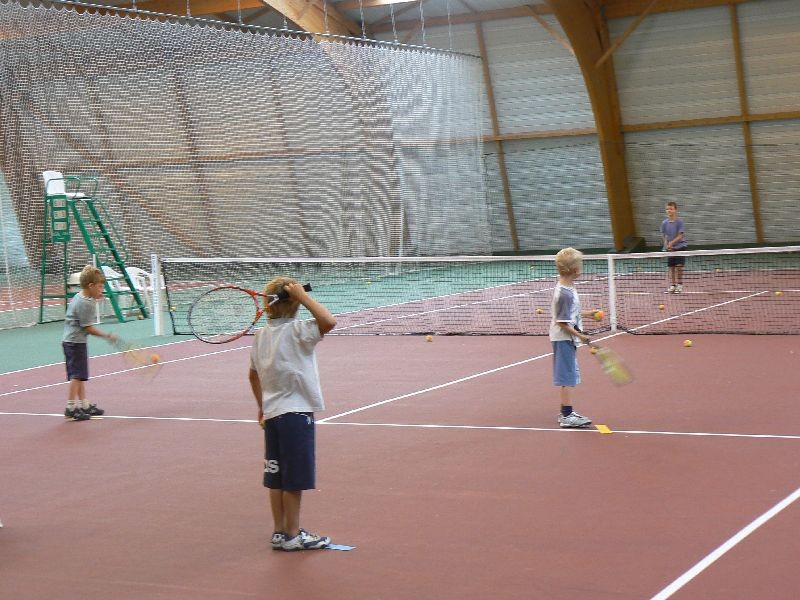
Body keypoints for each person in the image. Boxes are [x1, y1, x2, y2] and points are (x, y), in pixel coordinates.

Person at [248, 277, 337, 552]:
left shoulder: (261, 336)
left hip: (274, 414)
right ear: (295, 303)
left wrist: (262, 406)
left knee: (276, 477)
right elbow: (329, 321)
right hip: (296, 414)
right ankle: (293, 535)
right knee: (294, 479)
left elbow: (253, 376)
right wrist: (304, 297)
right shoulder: (300, 330)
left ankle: (279, 531)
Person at [550, 248, 598, 428]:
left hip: (567, 338)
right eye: (580, 264)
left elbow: (571, 313)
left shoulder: (568, 287)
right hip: (564, 339)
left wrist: (588, 313)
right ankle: (567, 416)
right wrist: (581, 336)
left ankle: (566, 412)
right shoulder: (564, 293)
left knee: (569, 374)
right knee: (567, 377)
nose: (581, 267)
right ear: (574, 270)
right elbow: (562, 322)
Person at [62, 265, 116, 421]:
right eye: (100, 287)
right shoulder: (85, 303)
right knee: (76, 376)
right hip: (74, 343)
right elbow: (88, 328)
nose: (102, 290)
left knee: (80, 375)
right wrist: (107, 335)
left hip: (74, 341)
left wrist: (95, 297)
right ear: (90, 286)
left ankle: (84, 405)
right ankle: (71, 408)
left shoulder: (82, 296)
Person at [661, 201, 687, 293]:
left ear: (675, 210)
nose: (669, 211)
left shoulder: (679, 222)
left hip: (680, 247)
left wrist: (672, 243)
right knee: (671, 267)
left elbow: (681, 236)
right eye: (667, 209)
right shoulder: (664, 223)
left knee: (679, 267)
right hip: (670, 249)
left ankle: (679, 285)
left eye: (671, 209)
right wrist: (666, 246)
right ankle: (673, 285)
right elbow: (664, 236)